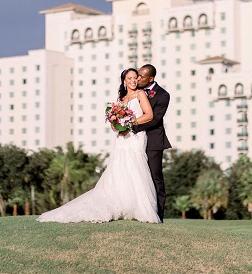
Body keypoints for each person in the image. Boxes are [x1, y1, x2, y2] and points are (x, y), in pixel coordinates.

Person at [37, 68, 160, 223]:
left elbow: (149, 115)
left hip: (135, 137)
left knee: (136, 168)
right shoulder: (120, 98)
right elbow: (114, 122)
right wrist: (116, 125)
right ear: (124, 81)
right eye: (130, 78)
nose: (133, 81)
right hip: (121, 138)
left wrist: (130, 122)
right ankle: (120, 203)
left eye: (135, 78)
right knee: (119, 168)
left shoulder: (140, 94)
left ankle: (139, 208)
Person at [131, 64, 171, 222]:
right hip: (133, 141)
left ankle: (159, 215)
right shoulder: (133, 91)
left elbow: (154, 119)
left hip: (153, 141)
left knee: (155, 177)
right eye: (138, 75)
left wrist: (132, 125)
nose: (138, 78)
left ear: (151, 78)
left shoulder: (163, 95)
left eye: (141, 76)